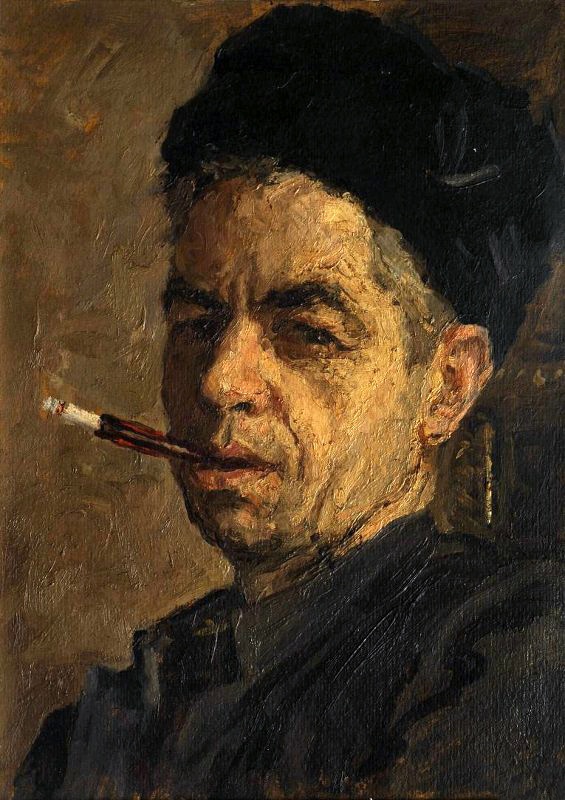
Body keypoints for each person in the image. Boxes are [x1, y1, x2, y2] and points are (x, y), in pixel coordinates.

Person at [15, 5, 565, 799]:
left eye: (307, 332)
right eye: (198, 322)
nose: (218, 380)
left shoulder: (510, 661)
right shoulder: (113, 717)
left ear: (446, 384)